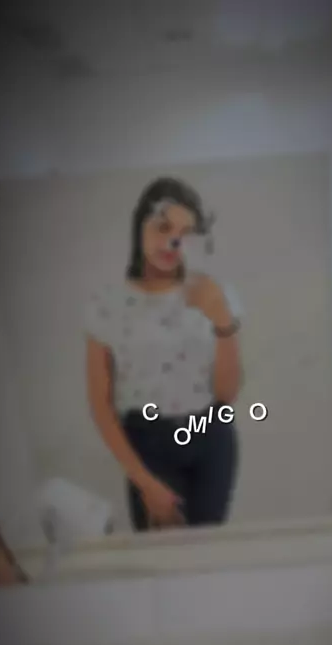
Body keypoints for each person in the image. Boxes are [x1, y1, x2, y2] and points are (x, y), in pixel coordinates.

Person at [85, 177, 242, 531]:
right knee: (163, 552)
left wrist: (222, 321)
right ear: (139, 226)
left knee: (208, 548)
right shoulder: (107, 304)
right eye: (163, 227)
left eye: (185, 234)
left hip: (211, 434)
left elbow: (227, 393)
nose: (172, 242)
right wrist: (144, 481)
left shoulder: (215, 294)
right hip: (149, 442)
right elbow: (100, 404)